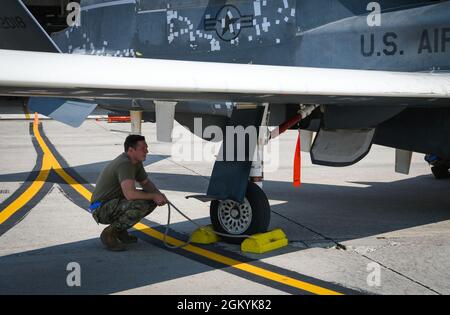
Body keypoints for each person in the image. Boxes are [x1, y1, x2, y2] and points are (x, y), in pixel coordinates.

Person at [90, 134, 167, 251]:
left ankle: (120, 231)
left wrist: (158, 195)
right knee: (141, 204)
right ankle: (110, 233)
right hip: (100, 209)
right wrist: (154, 195)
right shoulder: (125, 164)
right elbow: (130, 194)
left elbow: (145, 183)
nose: (147, 151)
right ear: (131, 150)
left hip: (113, 203)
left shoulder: (135, 162)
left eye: (146, 147)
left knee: (151, 200)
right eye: (143, 148)